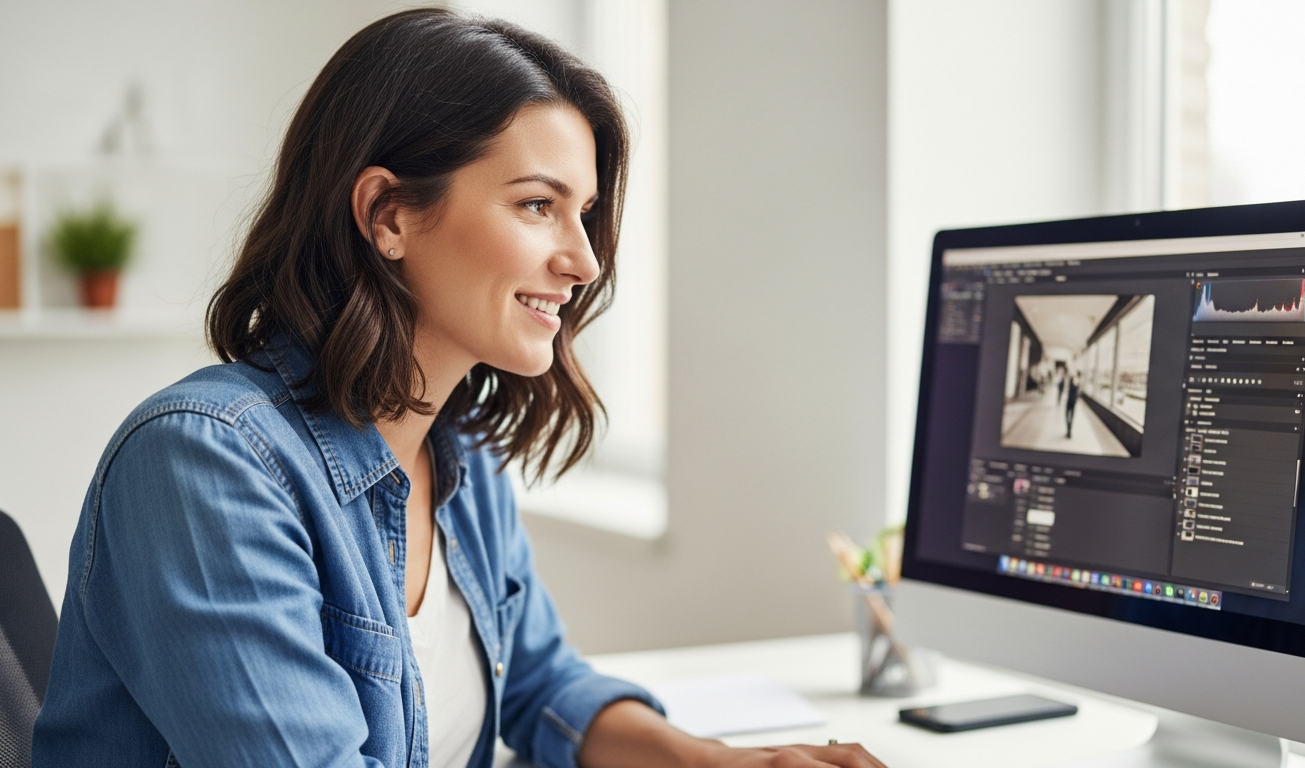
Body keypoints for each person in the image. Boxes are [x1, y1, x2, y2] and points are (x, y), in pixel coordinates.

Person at [31, 10, 887, 768]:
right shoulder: (205, 464)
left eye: (583, 213)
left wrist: (713, 763)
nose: (584, 261)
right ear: (388, 216)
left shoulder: (458, 445)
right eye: (535, 206)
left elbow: (542, 683)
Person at [1065, 372, 1082, 438]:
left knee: (1067, 416)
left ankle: (1068, 430)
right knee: (1071, 417)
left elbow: (1067, 390)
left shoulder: (1070, 382)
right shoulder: (1078, 384)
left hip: (1069, 401)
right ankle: (1069, 431)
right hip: (1074, 402)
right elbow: (1078, 394)